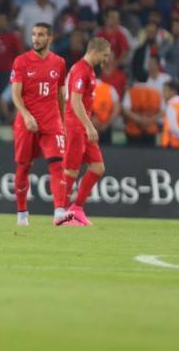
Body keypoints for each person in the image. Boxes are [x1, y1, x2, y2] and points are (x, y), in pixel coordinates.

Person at [10, 22, 69, 226]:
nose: (35, 38)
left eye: (41, 35)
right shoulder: (21, 61)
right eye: (34, 34)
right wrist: (26, 115)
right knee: (24, 167)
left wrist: (63, 121)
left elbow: (60, 93)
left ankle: (59, 212)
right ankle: (22, 213)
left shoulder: (59, 63)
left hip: (51, 122)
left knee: (58, 165)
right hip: (26, 123)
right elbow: (15, 94)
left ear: (50, 38)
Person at [63, 37, 112, 226]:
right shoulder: (80, 69)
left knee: (98, 167)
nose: (106, 59)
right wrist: (89, 125)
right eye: (104, 55)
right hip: (76, 125)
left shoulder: (89, 70)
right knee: (71, 170)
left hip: (82, 125)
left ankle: (76, 209)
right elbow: (75, 102)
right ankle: (61, 212)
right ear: (95, 51)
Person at [160, 80, 179, 148]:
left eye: (165, 90)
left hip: (173, 144)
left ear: (173, 91)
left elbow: (173, 127)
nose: (163, 93)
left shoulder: (171, 106)